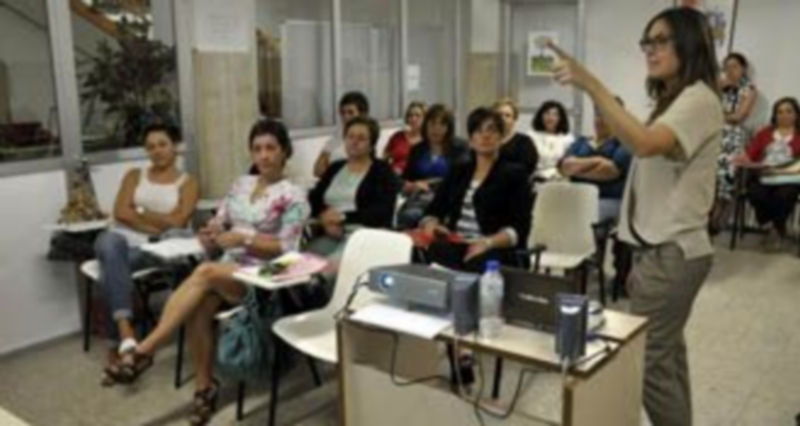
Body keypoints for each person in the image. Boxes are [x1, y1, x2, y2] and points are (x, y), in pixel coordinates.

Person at [548, 7, 723, 425]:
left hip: (673, 250)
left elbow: (644, 145)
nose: (651, 50)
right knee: (666, 359)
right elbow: (650, 180)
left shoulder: (699, 98)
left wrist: (592, 85)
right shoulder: (676, 100)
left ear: (689, 43)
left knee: (649, 364)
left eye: (661, 40)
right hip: (659, 251)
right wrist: (637, 255)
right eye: (648, 41)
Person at [103, 119, 309, 426]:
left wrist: (245, 238)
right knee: (200, 301)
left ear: (284, 152)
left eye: (270, 148)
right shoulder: (241, 184)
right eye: (257, 149)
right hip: (225, 267)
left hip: (263, 275)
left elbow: (287, 248)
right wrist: (210, 232)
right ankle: (204, 388)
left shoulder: (294, 194)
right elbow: (220, 220)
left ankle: (143, 350)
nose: (263, 155)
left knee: (205, 272)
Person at [94, 123, 198, 370]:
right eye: (151, 146)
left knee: (111, 269)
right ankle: (126, 333)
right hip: (120, 243)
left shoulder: (188, 182)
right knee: (110, 244)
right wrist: (157, 222)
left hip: (155, 249)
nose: (157, 151)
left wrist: (139, 211)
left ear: (176, 147)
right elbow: (120, 212)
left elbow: (179, 221)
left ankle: (119, 342)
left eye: (163, 144)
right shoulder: (134, 175)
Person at [419, 107, 532, 272]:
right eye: (478, 131)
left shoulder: (515, 174)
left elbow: (519, 229)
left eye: (491, 130)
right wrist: (432, 225)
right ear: (471, 140)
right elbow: (433, 210)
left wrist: (487, 243)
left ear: (501, 138)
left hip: (494, 247)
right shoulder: (459, 171)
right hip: (458, 243)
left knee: (478, 264)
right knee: (428, 254)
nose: (485, 136)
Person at [307, 116, 399, 270]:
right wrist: (324, 216)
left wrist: (342, 218)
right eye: (350, 136)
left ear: (371, 145)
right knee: (301, 266)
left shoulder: (382, 171)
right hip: (329, 232)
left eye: (361, 138)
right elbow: (314, 198)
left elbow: (382, 211)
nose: (354, 142)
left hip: (364, 235)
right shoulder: (335, 168)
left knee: (328, 271)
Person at [733, 97, 800, 249]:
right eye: (780, 112)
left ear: (796, 114)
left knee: (784, 195)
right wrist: (742, 159)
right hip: (763, 176)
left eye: (789, 111)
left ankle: (775, 229)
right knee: (756, 193)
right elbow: (750, 154)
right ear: (775, 115)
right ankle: (773, 225)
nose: (784, 115)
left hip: (789, 179)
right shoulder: (765, 133)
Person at [559, 98, 632, 222]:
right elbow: (564, 167)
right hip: (576, 197)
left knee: (585, 219)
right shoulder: (581, 142)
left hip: (605, 200)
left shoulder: (623, 143)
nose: (600, 120)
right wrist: (597, 161)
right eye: (597, 114)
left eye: (606, 115)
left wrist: (576, 170)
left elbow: (610, 171)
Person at [397, 104, 470, 228]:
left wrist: (432, 182)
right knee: (407, 216)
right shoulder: (417, 149)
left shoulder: (460, 148)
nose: (436, 129)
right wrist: (412, 185)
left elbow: (462, 178)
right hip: (420, 198)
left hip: (449, 199)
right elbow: (406, 178)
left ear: (449, 128)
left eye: (442, 124)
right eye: (432, 124)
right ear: (425, 126)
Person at [711, 52, 758, 233]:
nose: (730, 71)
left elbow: (739, 116)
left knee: (726, 174)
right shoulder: (719, 86)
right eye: (727, 67)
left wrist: (719, 116)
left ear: (743, 68)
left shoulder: (749, 89)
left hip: (734, 136)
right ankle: (707, 214)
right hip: (714, 133)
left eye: (734, 66)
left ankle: (719, 217)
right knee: (708, 173)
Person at [313, 91, 370, 178]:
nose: (346, 117)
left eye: (350, 112)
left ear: (362, 114)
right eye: (343, 113)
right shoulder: (338, 136)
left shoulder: (368, 136)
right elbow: (317, 170)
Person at [530, 99, 574, 182]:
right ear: (541, 116)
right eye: (547, 113)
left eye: (555, 115)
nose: (550, 118)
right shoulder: (531, 136)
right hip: (535, 178)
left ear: (560, 118)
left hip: (559, 180)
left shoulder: (568, 139)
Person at [493, 97, 539, 178]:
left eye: (507, 115)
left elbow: (526, 169)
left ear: (514, 119)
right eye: (499, 115)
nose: (502, 118)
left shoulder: (524, 142)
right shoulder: (484, 140)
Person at [384, 101, 426, 174]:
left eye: (417, 115)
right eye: (410, 115)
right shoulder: (397, 136)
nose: (413, 119)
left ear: (425, 118)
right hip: (395, 176)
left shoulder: (428, 139)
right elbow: (385, 157)